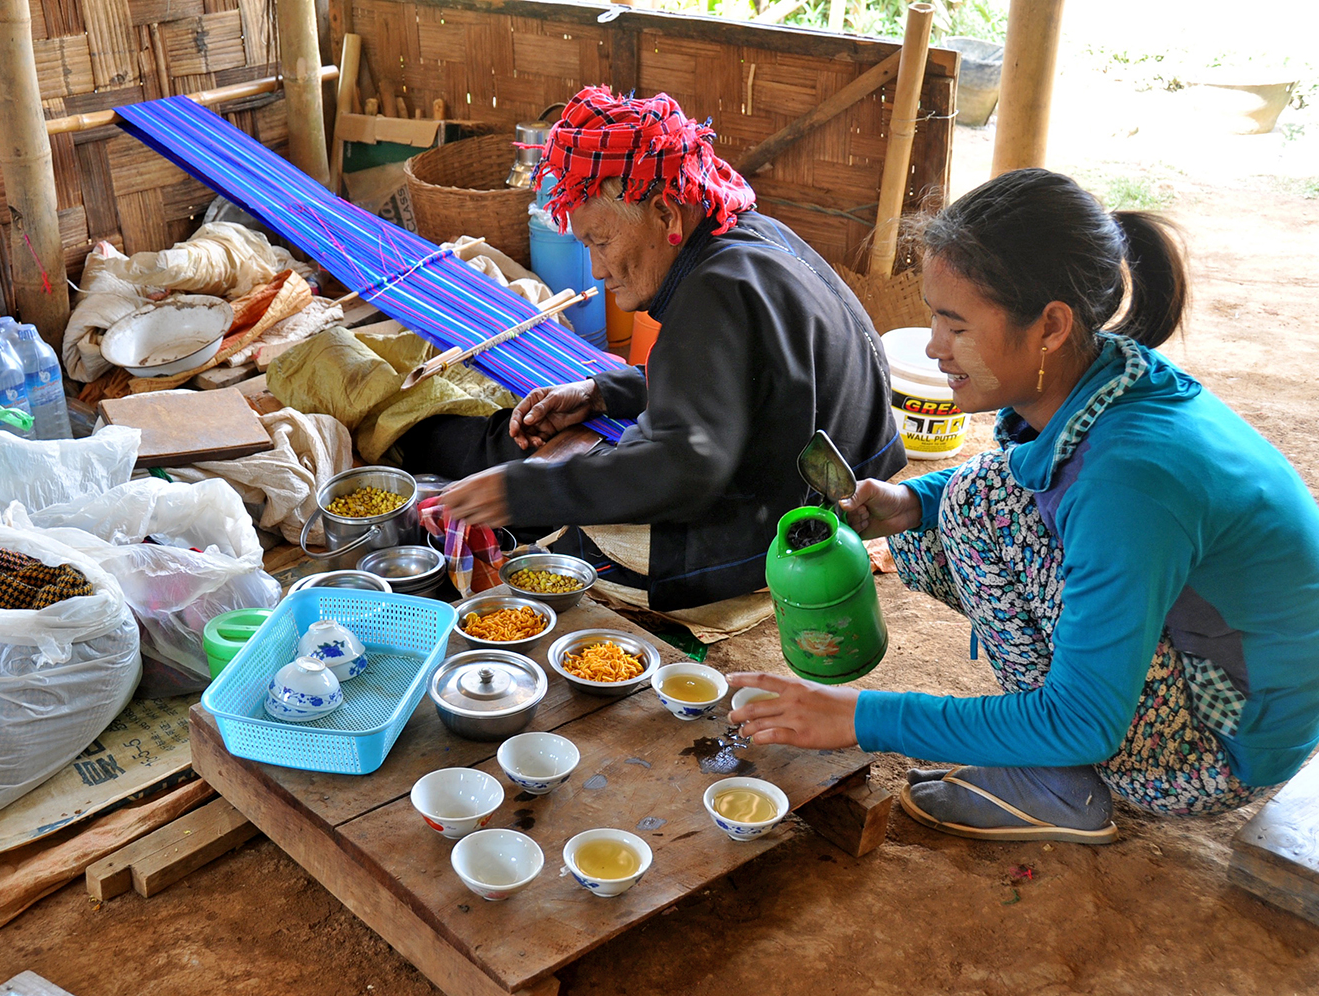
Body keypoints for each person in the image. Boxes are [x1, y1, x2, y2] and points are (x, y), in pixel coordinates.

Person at [730, 168, 1319, 842]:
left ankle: (1058, 782)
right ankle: (1044, 737)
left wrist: (855, 715)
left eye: (955, 326)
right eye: (933, 317)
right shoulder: (1110, 372)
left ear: (1050, 326)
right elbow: (1028, 474)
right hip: (1232, 679)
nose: (933, 346)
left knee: (980, 504)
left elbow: (1086, 720)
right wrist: (907, 502)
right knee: (950, 510)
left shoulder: (1129, 482)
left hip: (1220, 752)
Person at [398, 86, 905, 611]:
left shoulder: (716, 292)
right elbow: (747, 378)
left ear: (665, 214)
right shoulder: (754, 236)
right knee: (547, 451)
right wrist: (602, 393)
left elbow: (683, 466)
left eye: (600, 241)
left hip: (778, 528)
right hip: (836, 476)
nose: (596, 269)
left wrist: (518, 492)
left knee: (548, 536)